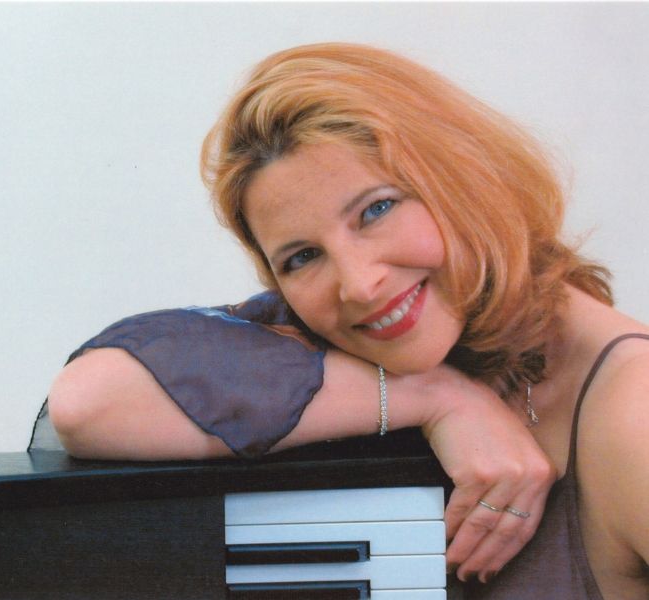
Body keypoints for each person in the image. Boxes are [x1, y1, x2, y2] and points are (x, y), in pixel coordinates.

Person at [33, 43, 648, 598]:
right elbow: (91, 401)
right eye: (303, 257)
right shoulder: (386, 352)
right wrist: (438, 397)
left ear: (466, 177)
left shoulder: (634, 411)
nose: (357, 284)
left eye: (376, 210)